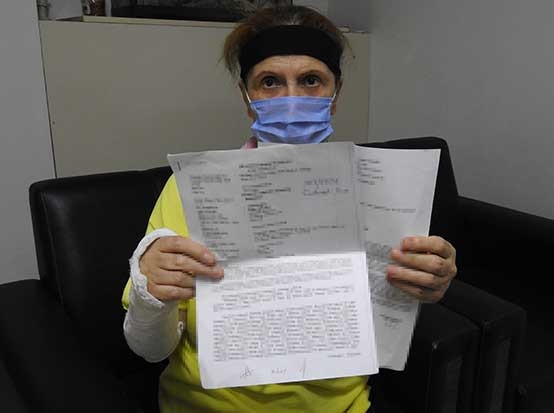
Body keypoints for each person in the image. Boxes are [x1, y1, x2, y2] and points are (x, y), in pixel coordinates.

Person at [122, 5, 457, 413]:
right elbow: (149, 349)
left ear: (335, 95)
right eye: (270, 82)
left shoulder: (379, 193)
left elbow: (386, 314)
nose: (292, 100)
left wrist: (427, 281)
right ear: (247, 99)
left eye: (311, 80)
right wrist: (151, 297)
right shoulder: (188, 191)